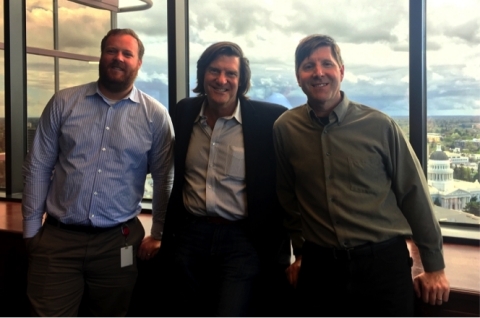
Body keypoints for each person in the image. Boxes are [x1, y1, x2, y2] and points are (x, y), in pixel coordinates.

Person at [272, 34, 450, 316]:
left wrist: (434, 267)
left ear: (341, 71)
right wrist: (301, 252)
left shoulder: (380, 126)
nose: (318, 73)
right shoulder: (285, 128)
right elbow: (287, 195)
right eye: (308, 66)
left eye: (326, 64)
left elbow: (414, 194)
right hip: (320, 269)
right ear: (298, 76)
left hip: (383, 266)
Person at [22, 28, 174, 316]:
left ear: (139, 62)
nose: (118, 58)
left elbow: (165, 177)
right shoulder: (64, 102)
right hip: (58, 241)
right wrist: (31, 230)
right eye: (111, 51)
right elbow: (38, 165)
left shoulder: (155, 115)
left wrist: (159, 232)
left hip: (118, 242)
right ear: (101, 57)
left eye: (127, 53)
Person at [161, 41, 292, 316]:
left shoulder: (268, 120)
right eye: (214, 71)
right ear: (202, 75)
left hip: (241, 239)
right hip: (190, 234)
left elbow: (289, 181)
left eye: (231, 74)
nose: (222, 80)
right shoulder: (184, 112)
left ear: (241, 79)